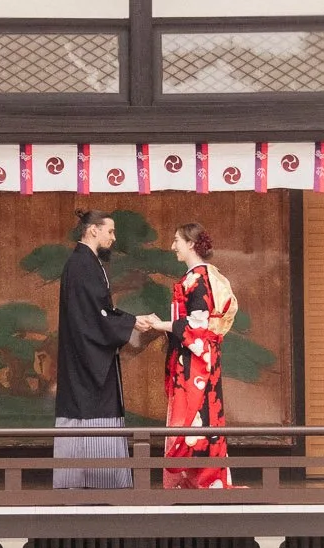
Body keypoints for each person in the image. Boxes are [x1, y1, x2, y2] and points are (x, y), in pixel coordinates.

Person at [137, 222, 236, 490]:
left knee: (196, 415)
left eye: (177, 240)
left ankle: (202, 481)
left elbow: (197, 326)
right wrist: (167, 327)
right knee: (193, 417)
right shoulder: (197, 277)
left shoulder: (199, 278)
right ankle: (194, 480)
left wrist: (162, 325)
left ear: (191, 244)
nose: (173, 246)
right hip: (193, 358)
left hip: (197, 364)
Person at [53, 209, 137, 490]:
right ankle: (95, 482)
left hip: (86, 354)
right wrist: (133, 322)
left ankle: (92, 480)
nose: (113, 238)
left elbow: (102, 312)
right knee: (89, 408)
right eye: (110, 231)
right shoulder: (81, 265)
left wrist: (129, 321)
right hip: (85, 360)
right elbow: (97, 316)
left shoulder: (86, 263)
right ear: (93, 230)